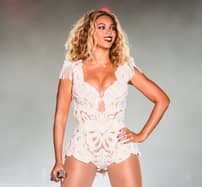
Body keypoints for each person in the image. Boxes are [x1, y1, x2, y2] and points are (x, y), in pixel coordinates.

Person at [50, 9, 170, 187]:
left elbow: (162, 99)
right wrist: (58, 160)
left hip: (119, 146)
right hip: (83, 146)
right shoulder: (71, 69)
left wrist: (142, 135)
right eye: (102, 27)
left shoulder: (125, 68)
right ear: (89, 32)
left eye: (112, 28)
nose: (109, 32)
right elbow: (60, 118)